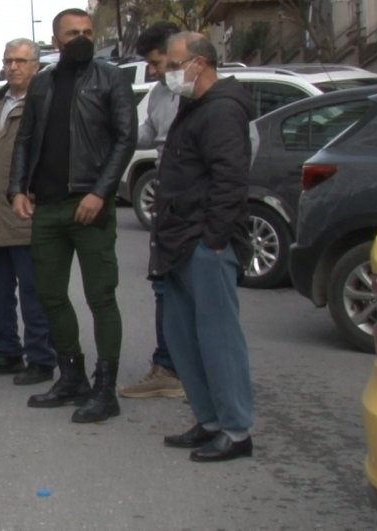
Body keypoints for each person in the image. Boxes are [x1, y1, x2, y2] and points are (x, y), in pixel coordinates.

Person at [9, 8, 136, 424]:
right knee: (50, 295)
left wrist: (101, 192)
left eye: (86, 32)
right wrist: (16, 189)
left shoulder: (111, 78)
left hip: (90, 206)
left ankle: (105, 388)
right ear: (56, 39)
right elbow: (25, 140)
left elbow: (125, 138)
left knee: (101, 297)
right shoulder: (43, 83)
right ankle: (72, 377)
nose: (80, 38)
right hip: (47, 207)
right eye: (72, 33)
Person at [152, 32, 255, 462]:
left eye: (174, 64)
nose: (166, 72)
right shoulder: (192, 107)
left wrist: (213, 239)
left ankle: (235, 430)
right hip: (177, 241)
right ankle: (209, 420)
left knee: (218, 339)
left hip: (203, 243)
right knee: (183, 337)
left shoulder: (222, 110)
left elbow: (230, 178)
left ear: (199, 64)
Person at [0, 38, 56, 385]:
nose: (14, 67)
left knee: (34, 292)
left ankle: (41, 358)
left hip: (25, 211)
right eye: (9, 60)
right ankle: (6, 352)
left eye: (21, 61)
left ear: (36, 66)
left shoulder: (43, 103)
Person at [119, 21, 186, 400]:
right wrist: (119, 128)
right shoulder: (162, 94)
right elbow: (147, 133)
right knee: (164, 285)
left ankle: (185, 367)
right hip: (168, 198)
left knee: (193, 288)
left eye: (159, 62)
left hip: (195, 202)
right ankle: (168, 367)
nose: (155, 71)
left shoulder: (209, 93)